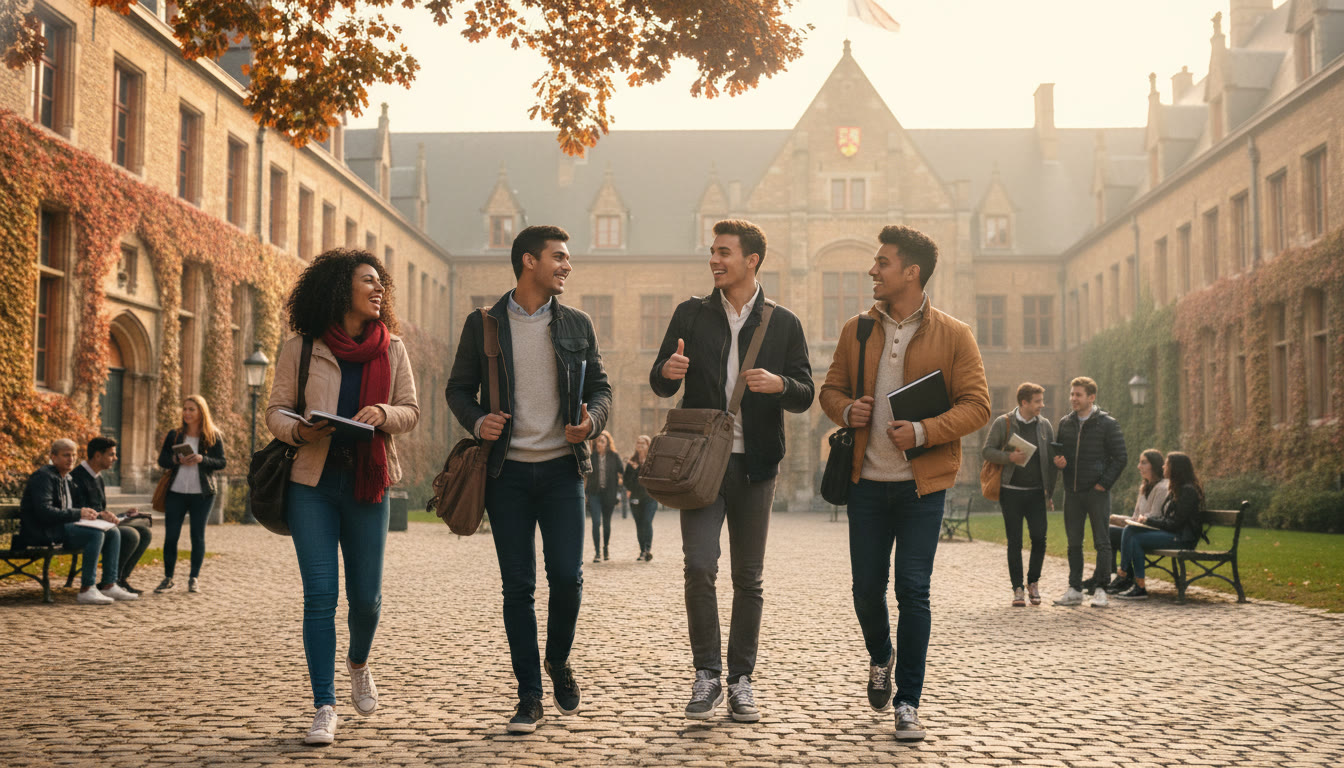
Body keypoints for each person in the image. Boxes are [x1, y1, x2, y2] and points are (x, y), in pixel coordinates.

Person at [819, 225, 989, 741]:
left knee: (913, 591)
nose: (873, 269)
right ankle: (881, 655)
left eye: (883, 262)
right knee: (866, 589)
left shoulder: (955, 335)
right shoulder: (857, 331)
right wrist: (847, 409)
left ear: (911, 272)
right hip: (867, 484)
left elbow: (978, 405)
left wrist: (922, 431)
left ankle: (908, 701)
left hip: (922, 488)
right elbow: (829, 391)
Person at [446, 225, 612, 734]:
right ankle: (529, 697)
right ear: (527, 261)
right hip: (507, 476)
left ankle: (557, 659)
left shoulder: (579, 324)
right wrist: (478, 421)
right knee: (517, 587)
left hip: (565, 472)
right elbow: (458, 390)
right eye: (558, 257)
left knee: (567, 577)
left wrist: (592, 422)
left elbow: (602, 389)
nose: (566, 265)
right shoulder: (484, 326)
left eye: (568, 258)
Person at [649, 218, 814, 724]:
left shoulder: (782, 322)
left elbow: (806, 392)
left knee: (748, 576)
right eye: (712, 252)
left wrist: (779, 384)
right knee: (699, 566)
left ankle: (742, 680)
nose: (715, 260)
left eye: (724, 252)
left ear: (752, 260)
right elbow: (659, 382)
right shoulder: (690, 314)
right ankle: (707, 675)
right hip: (699, 465)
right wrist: (667, 373)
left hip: (756, 465)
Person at [265, 248, 420, 746]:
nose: (379, 290)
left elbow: (410, 411)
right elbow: (276, 411)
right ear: (339, 289)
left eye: (382, 284)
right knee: (319, 596)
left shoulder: (392, 348)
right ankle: (324, 704)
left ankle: (358, 662)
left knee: (367, 600)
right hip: (313, 483)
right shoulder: (301, 348)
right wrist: (300, 432)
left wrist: (382, 412)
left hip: (369, 485)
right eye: (368, 282)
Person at [17, 439, 135, 604]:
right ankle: (87, 589)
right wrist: (78, 513)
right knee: (95, 534)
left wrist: (99, 515)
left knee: (112, 531)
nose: (71, 459)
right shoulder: (43, 477)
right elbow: (44, 512)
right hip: (42, 531)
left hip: (61, 528)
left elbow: (75, 510)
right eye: (66, 455)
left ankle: (109, 584)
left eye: (73, 455)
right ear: (53, 457)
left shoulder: (66, 478)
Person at [1051, 376, 1127, 608]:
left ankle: (1101, 589)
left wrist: (1103, 484)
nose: (1073, 398)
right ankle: (1074, 589)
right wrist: (1059, 462)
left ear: (1091, 397)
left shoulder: (1107, 424)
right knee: (1074, 542)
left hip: (1096, 493)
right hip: (1072, 492)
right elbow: (1059, 453)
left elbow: (1120, 457)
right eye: (1072, 394)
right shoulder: (1065, 423)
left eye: (1078, 395)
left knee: (1102, 542)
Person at [980, 382, 1057, 607]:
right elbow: (987, 451)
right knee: (1014, 541)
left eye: (1041, 401)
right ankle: (1018, 589)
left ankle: (1033, 582)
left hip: (1036, 493)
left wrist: (1049, 490)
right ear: (1024, 402)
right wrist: (1008, 458)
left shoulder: (1045, 426)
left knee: (1039, 538)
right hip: (1010, 492)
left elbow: (1050, 460)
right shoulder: (1002, 423)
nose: (1042, 405)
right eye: (1038, 401)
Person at [154, 395, 226, 595]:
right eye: (185, 409)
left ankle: (193, 578)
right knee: (171, 536)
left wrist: (202, 459)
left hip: (202, 494)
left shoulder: (212, 436)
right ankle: (168, 578)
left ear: (201, 412)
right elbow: (162, 460)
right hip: (176, 492)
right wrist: (176, 460)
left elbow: (221, 462)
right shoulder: (175, 435)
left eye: (191, 409)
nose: (186, 413)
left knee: (197, 535)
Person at [69, 436, 152, 595]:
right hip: (87, 529)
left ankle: (119, 579)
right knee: (131, 534)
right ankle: (110, 581)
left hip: (100, 526)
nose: (116, 458)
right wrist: (102, 515)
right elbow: (77, 510)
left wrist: (122, 515)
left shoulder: (98, 477)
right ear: (98, 455)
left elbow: (100, 509)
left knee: (145, 532)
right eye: (111, 454)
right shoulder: (77, 477)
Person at [1110, 452, 1196, 599]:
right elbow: (1168, 519)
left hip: (1181, 538)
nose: (1163, 466)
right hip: (1173, 534)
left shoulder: (1187, 490)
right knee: (1131, 531)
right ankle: (1135, 584)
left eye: (1167, 464)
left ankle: (1127, 577)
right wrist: (1146, 521)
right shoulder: (1176, 488)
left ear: (1176, 468)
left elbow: (1176, 523)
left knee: (1134, 537)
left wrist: (1148, 521)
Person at [1104, 449, 1167, 594]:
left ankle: (1123, 575)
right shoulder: (1144, 487)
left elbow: (1154, 517)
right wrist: (1117, 519)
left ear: (1155, 465)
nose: (1139, 466)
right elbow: (1135, 516)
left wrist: (1129, 522)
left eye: (1143, 463)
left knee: (1114, 532)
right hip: (1137, 528)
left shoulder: (1162, 487)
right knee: (1107, 528)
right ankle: (1115, 575)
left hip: (1153, 532)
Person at [584, 431, 622, 563]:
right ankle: (597, 552)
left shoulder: (614, 456)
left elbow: (622, 473)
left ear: (607, 443)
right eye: (598, 440)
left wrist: (619, 490)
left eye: (602, 441)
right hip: (594, 494)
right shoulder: (591, 456)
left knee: (606, 523)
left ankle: (605, 548)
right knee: (596, 522)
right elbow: (585, 475)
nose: (599, 442)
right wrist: (584, 493)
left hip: (609, 494)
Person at [623, 435, 657, 562]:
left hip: (650, 497)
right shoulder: (632, 462)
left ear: (648, 445)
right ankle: (642, 550)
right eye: (638, 443)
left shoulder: (652, 461)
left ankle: (647, 550)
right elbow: (627, 481)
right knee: (639, 524)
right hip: (635, 498)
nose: (640, 445)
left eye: (643, 443)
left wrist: (638, 469)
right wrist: (635, 470)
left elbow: (652, 478)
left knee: (647, 522)